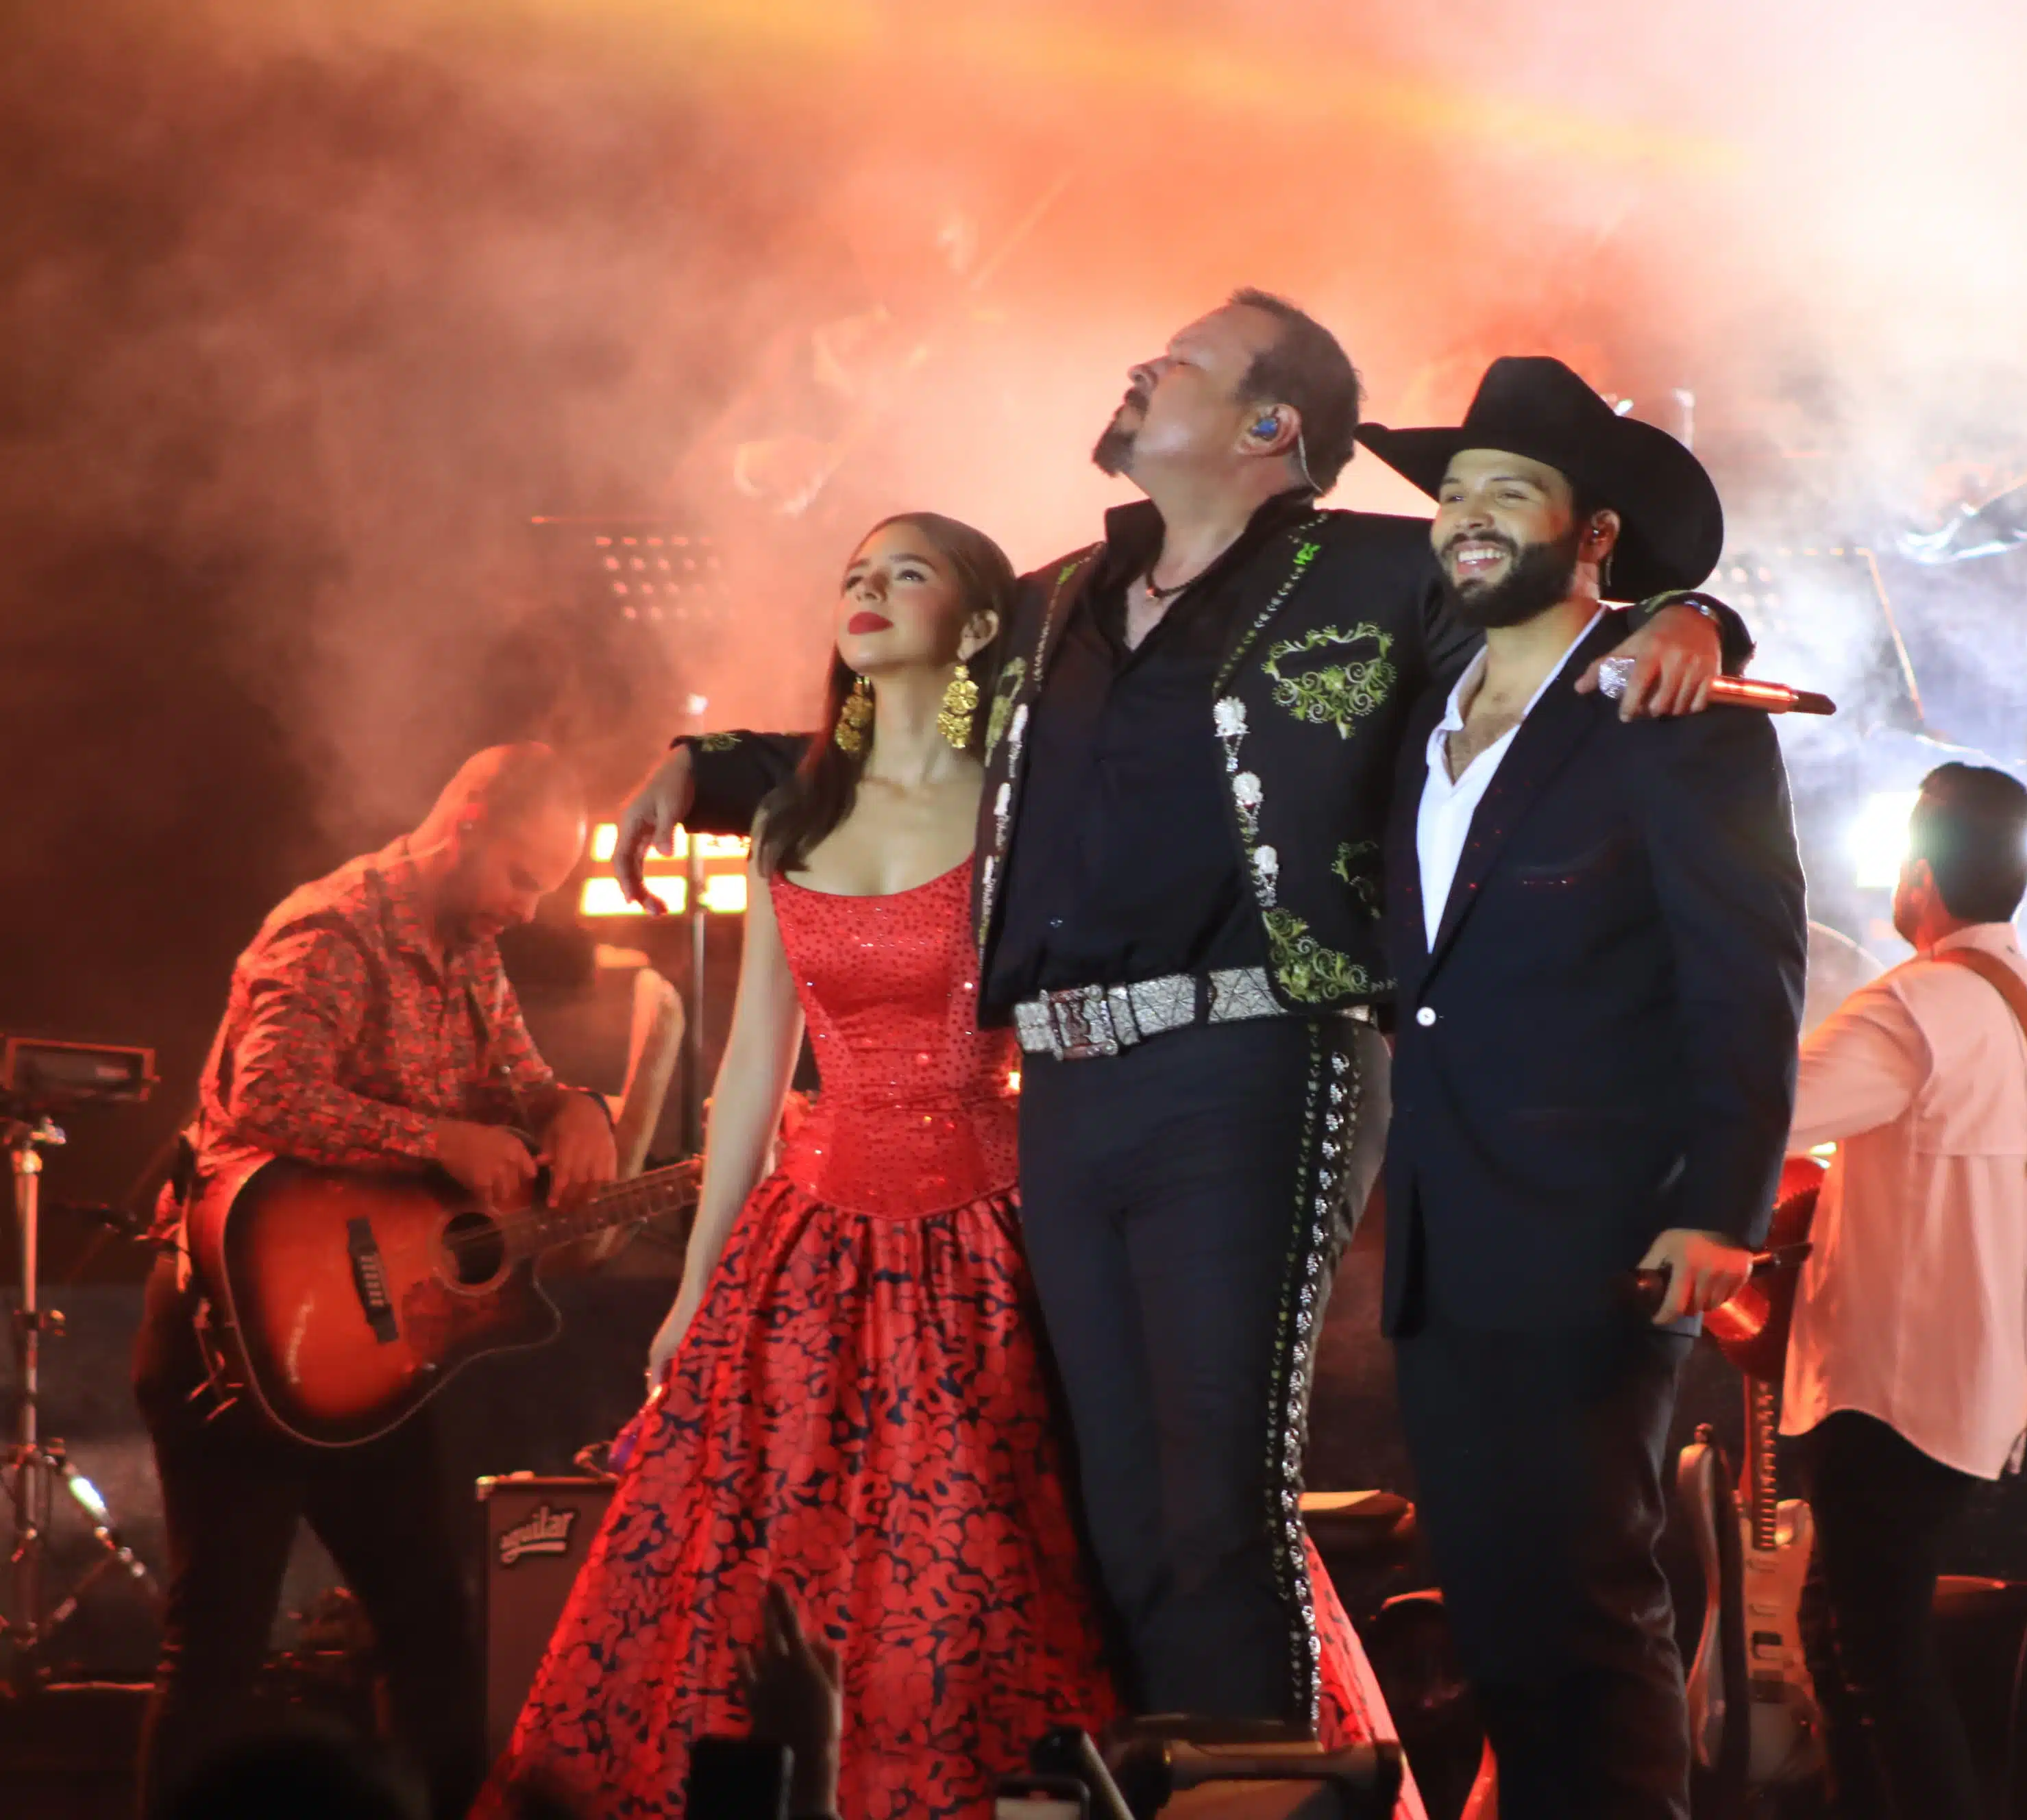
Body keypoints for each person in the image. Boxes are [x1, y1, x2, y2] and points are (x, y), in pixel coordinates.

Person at [611, 293, 1747, 1727]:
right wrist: (713, 768)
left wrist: (1695, 615)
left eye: (1183, 365)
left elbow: (1553, 608)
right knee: (1116, 1501)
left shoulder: (1379, 572)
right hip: (1074, 1091)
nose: (1141, 370)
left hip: (1257, 1058)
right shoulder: (1053, 598)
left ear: (1273, 426)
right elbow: (902, 739)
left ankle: (1258, 1784)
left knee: (1217, 1494)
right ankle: (1180, 1778)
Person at [487, 515, 1414, 1820]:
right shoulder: (793, 818)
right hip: (807, 1243)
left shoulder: (1024, 807)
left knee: (1011, 1551)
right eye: (855, 576)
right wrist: (693, 1292)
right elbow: (754, 1065)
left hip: (1002, 1221)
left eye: (903, 573)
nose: (866, 592)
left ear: (980, 629)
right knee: (766, 1577)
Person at [1363, 356, 1808, 1819]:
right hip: (1443, 1237)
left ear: (1595, 533)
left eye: (1513, 492)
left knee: (1588, 1608)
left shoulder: (1678, 713)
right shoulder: (1418, 696)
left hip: (1600, 1239)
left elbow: (1748, 980)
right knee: (1499, 1625)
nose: (1468, 518)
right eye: (1456, 493)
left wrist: (1722, 1209)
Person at [138, 744, 616, 1820]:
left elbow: (525, 1081)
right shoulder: (334, 927)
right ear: (466, 825)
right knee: (217, 1643)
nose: (529, 909)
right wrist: (437, 1138)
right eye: (522, 875)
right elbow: (267, 1096)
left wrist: (574, 1106)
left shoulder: (469, 951)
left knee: (431, 1626)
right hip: (239, 1332)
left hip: (366, 1351)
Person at [1778, 763, 2027, 1820]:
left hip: (1890, 1391)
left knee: (1882, 1671)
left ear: (1919, 875)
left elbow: (1760, 1111)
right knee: (1842, 1642)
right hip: (1984, 1386)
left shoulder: (1915, 1007)